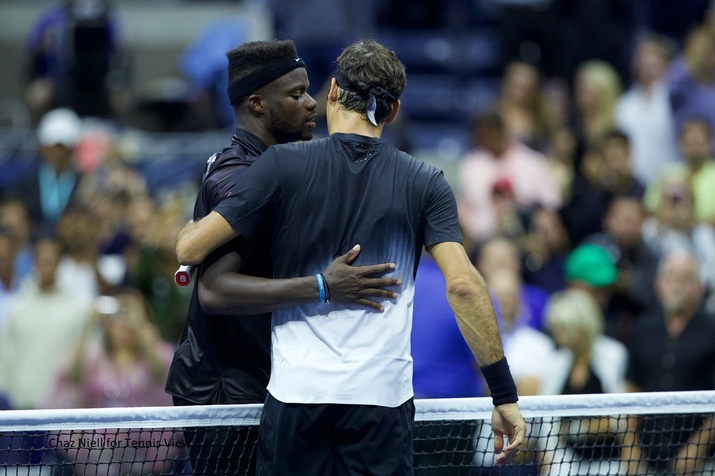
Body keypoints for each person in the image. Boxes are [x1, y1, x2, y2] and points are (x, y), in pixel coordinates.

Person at [175, 39, 526, 475]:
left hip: (296, 401)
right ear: (393, 112)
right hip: (381, 405)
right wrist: (503, 395)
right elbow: (464, 285)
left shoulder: (281, 165)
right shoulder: (427, 182)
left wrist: (192, 227)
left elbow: (189, 249)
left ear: (334, 93)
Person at [164, 39, 400, 476]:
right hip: (223, 388)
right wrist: (323, 286)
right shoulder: (238, 174)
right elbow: (214, 290)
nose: (312, 103)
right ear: (257, 104)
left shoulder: (276, 166)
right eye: (295, 95)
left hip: (263, 375)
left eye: (309, 90)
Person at [620, 249, 715, 474]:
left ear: (699, 287)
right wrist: (629, 445)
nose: (676, 285)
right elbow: (632, 388)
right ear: (658, 284)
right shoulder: (642, 328)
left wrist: (697, 447)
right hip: (648, 456)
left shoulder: (712, 330)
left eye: (685, 279)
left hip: (704, 461)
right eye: (671, 277)